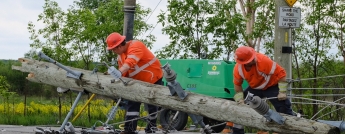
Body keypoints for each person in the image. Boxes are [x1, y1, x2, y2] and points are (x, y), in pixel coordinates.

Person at [106, 32, 163, 134]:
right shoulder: (120, 56)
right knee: (132, 104)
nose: (113, 51)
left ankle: (151, 128)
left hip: (153, 78)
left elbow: (130, 63)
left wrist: (118, 72)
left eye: (113, 49)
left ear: (119, 46)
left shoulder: (136, 46)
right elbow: (124, 74)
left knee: (152, 104)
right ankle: (129, 130)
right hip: (137, 82)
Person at [231, 46, 293, 134]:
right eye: (250, 60)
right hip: (255, 88)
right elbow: (237, 86)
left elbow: (281, 73)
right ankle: (238, 131)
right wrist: (240, 100)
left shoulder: (263, 60)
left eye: (253, 57)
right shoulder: (238, 69)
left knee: (283, 105)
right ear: (244, 62)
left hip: (271, 85)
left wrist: (282, 92)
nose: (253, 59)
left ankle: (290, 129)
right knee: (239, 108)